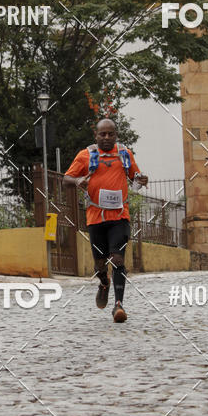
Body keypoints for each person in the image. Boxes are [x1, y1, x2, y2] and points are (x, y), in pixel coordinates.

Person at [63, 118, 148, 323]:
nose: (107, 137)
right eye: (103, 134)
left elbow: (135, 176)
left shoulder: (124, 154)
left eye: (111, 134)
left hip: (120, 216)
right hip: (95, 218)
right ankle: (104, 283)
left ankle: (118, 305)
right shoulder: (86, 155)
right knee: (100, 264)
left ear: (116, 135)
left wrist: (141, 179)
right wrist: (78, 181)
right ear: (96, 135)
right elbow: (66, 179)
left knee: (118, 259)